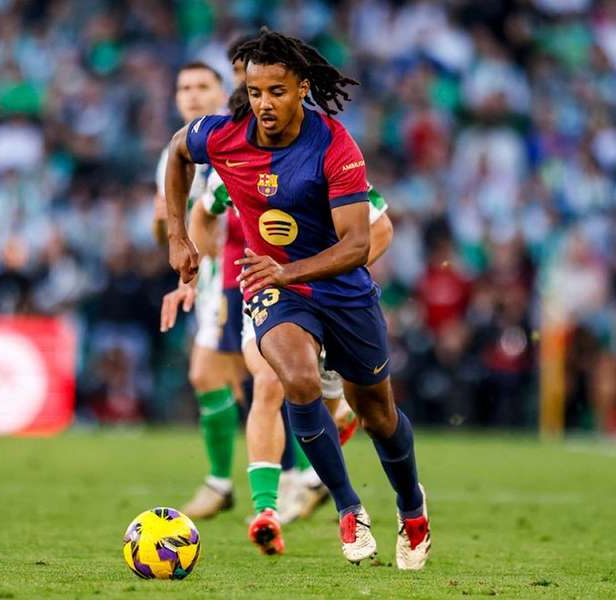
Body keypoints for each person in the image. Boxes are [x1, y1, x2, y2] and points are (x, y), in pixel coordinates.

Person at [164, 28, 430, 569]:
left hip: (341, 289)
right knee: (296, 380)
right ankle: (349, 509)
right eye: (256, 92)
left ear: (302, 88)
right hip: (274, 290)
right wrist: (178, 235)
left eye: (277, 92)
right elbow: (176, 152)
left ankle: (412, 507)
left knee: (376, 412)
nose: (264, 103)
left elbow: (358, 243)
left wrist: (287, 271)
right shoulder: (222, 135)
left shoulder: (334, 144)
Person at [153, 62, 245, 520]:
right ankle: (235, 482)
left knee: (259, 379)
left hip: (245, 273)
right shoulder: (173, 154)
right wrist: (184, 276)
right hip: (209, 282)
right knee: (218, 378)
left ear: (222, 92)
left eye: (201, 86)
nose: (191, 95)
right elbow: (170, 223)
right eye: (183, 87)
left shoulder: (234, 141)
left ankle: (300, 479)